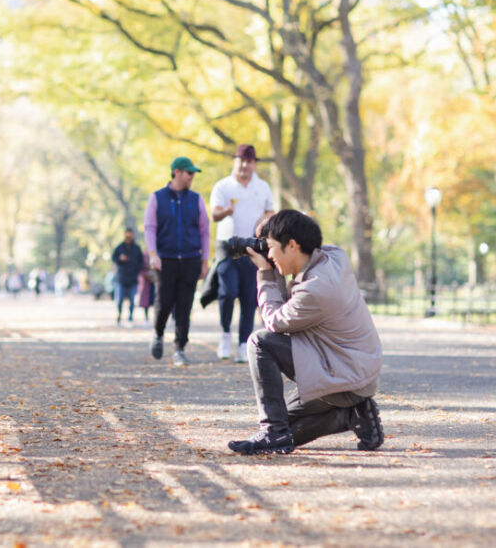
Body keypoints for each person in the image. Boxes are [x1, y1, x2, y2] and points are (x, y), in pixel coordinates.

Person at [227, 209, 383, 455]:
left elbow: (274, 322)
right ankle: (350, 415)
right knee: (283, 418)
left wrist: (265, 273)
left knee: (260, 342)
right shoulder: (334, 256)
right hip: (356, 371)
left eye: (270, 246)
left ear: (292, 244)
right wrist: (280, 227)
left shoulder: (315, 290)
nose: (267, 254)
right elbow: (306, 232)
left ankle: (273, 433)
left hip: (345, 375)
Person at [209, 144, 275, 363]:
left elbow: (270, 211)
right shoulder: (223, 186)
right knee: (228, 292)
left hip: (251, 246)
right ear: (235, 162)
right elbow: (214, 214)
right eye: (241, 161)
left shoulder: (262, 186)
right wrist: (227, 211)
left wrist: (264, 221)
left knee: (249, 297)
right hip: (227, 246)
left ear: (254, 164)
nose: (245, 165)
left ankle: (243, 343)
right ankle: (225, 334)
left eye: (249, 162)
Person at [144, 156, 210, 366]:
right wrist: (153, 254)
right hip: (166, 260)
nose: (192, 177)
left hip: (191, 258)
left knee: (184, 305)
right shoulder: (157, 198)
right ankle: (158, 333)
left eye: (193, 173)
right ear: (177, 172)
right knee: (164, 302)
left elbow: (204, 230)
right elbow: (150, 227)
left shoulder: (196, 199)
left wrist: (204, 260)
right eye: (189, 173)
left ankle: (179, 348)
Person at [111, 228, 144, 325]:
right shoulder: (120, 248)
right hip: (122, 277)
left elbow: (141, 262)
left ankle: (130, 316)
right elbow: (114, 258)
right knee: (120, 299)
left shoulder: (137, 248)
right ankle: (119, 315)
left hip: (133, 278)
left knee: (132, 299)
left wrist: (136, 269)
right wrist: (120, 259)